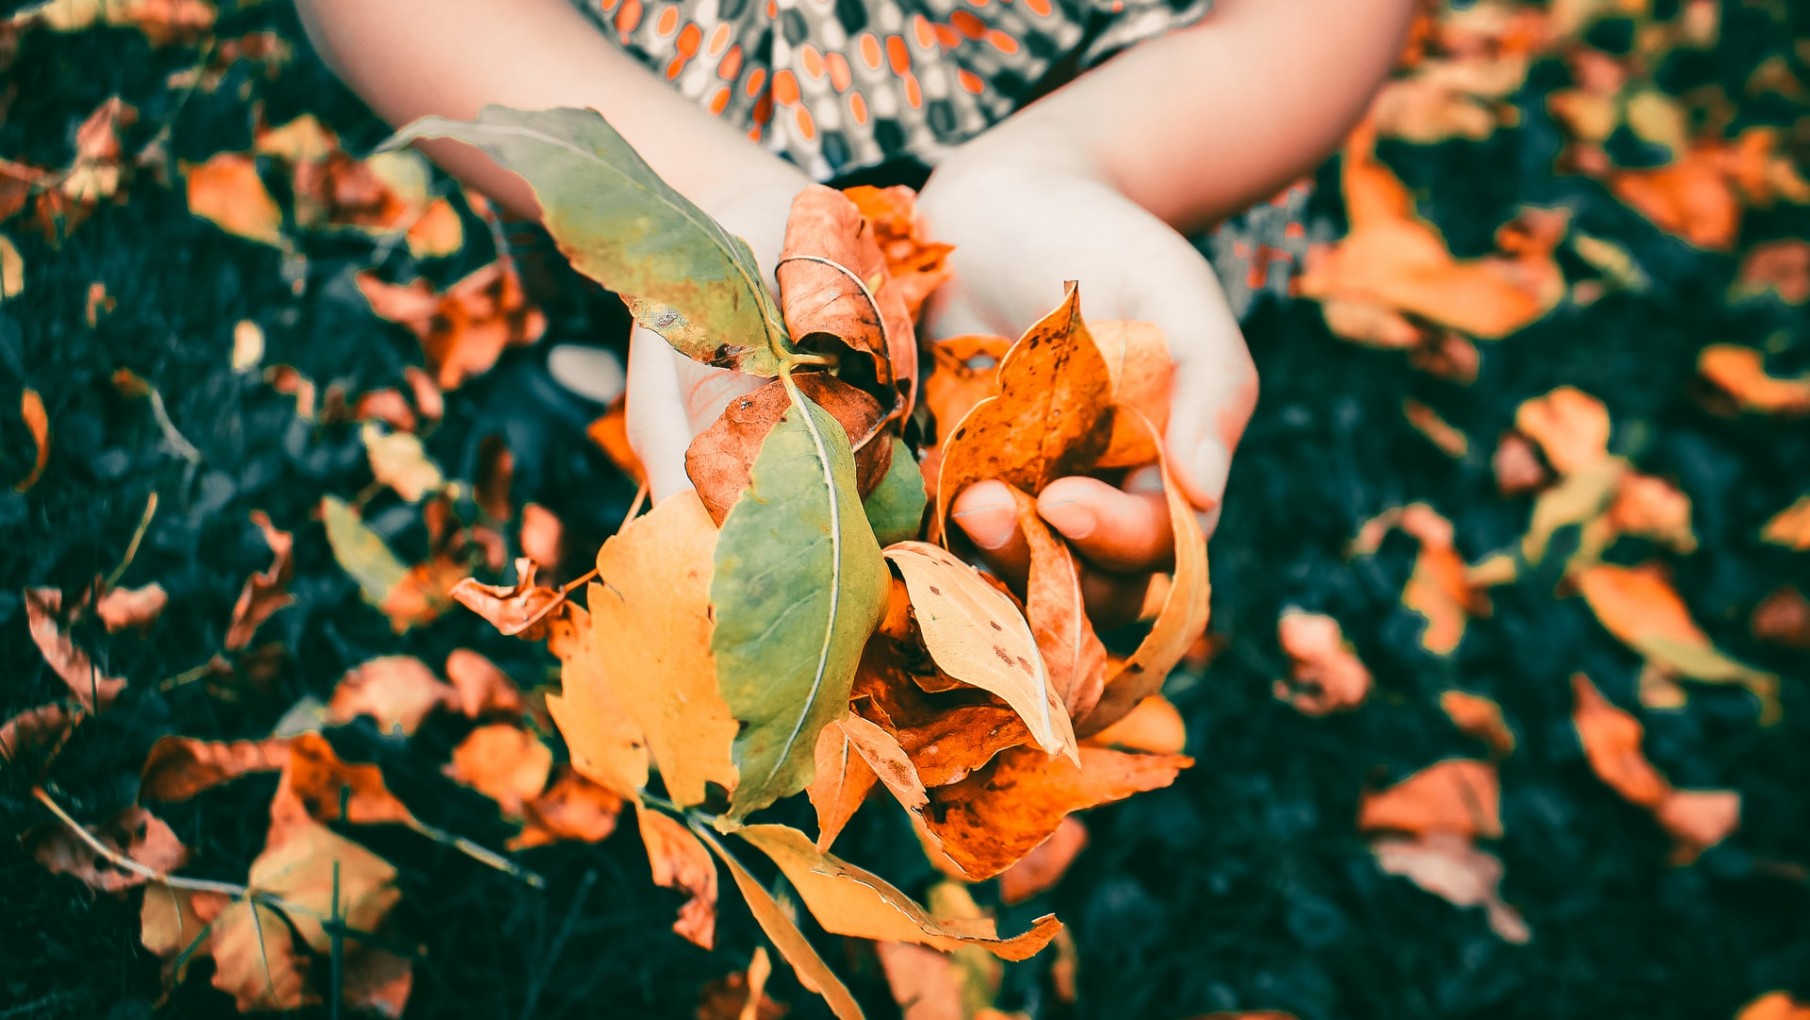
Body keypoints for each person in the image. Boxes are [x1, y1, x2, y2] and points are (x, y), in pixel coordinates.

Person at [297, 0, 1414, 611]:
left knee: (1025, 432)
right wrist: (704, 210)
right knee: (673, 335)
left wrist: (1085, 166)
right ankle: (610, 351)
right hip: (644, 96)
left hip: (1112, 101)